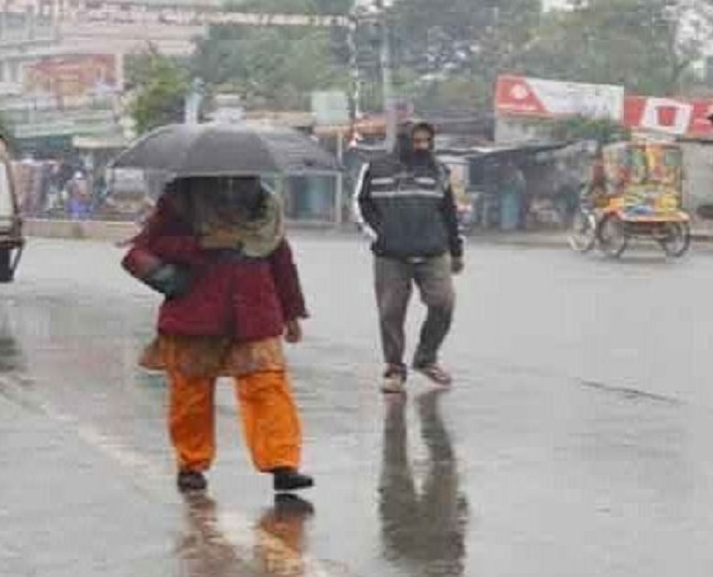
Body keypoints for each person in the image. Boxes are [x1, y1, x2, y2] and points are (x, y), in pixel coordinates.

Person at [123, 176, 314, 494]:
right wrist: (202, 244)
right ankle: (191, 464)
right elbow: (152, 244)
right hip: (196, 309)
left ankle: (282, 464)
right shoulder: (180, 197)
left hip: (255, 309)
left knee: (267, 384)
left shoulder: (264, 203)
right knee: (191, 393)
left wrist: (292, 312)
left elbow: (281, 259)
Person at [356, 121, 465, 394]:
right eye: (416, 141)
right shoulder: (375, 168)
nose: (422, 146)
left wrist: (456, 251)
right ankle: (394, 369)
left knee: (443, 303)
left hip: (433, 252)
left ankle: (426, 358)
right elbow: (360, 204)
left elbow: (449, 213)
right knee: (391, 312)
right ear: (404, 141)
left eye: (427, 141)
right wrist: (381, 235)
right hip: (390, 255)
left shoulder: (439, 170)